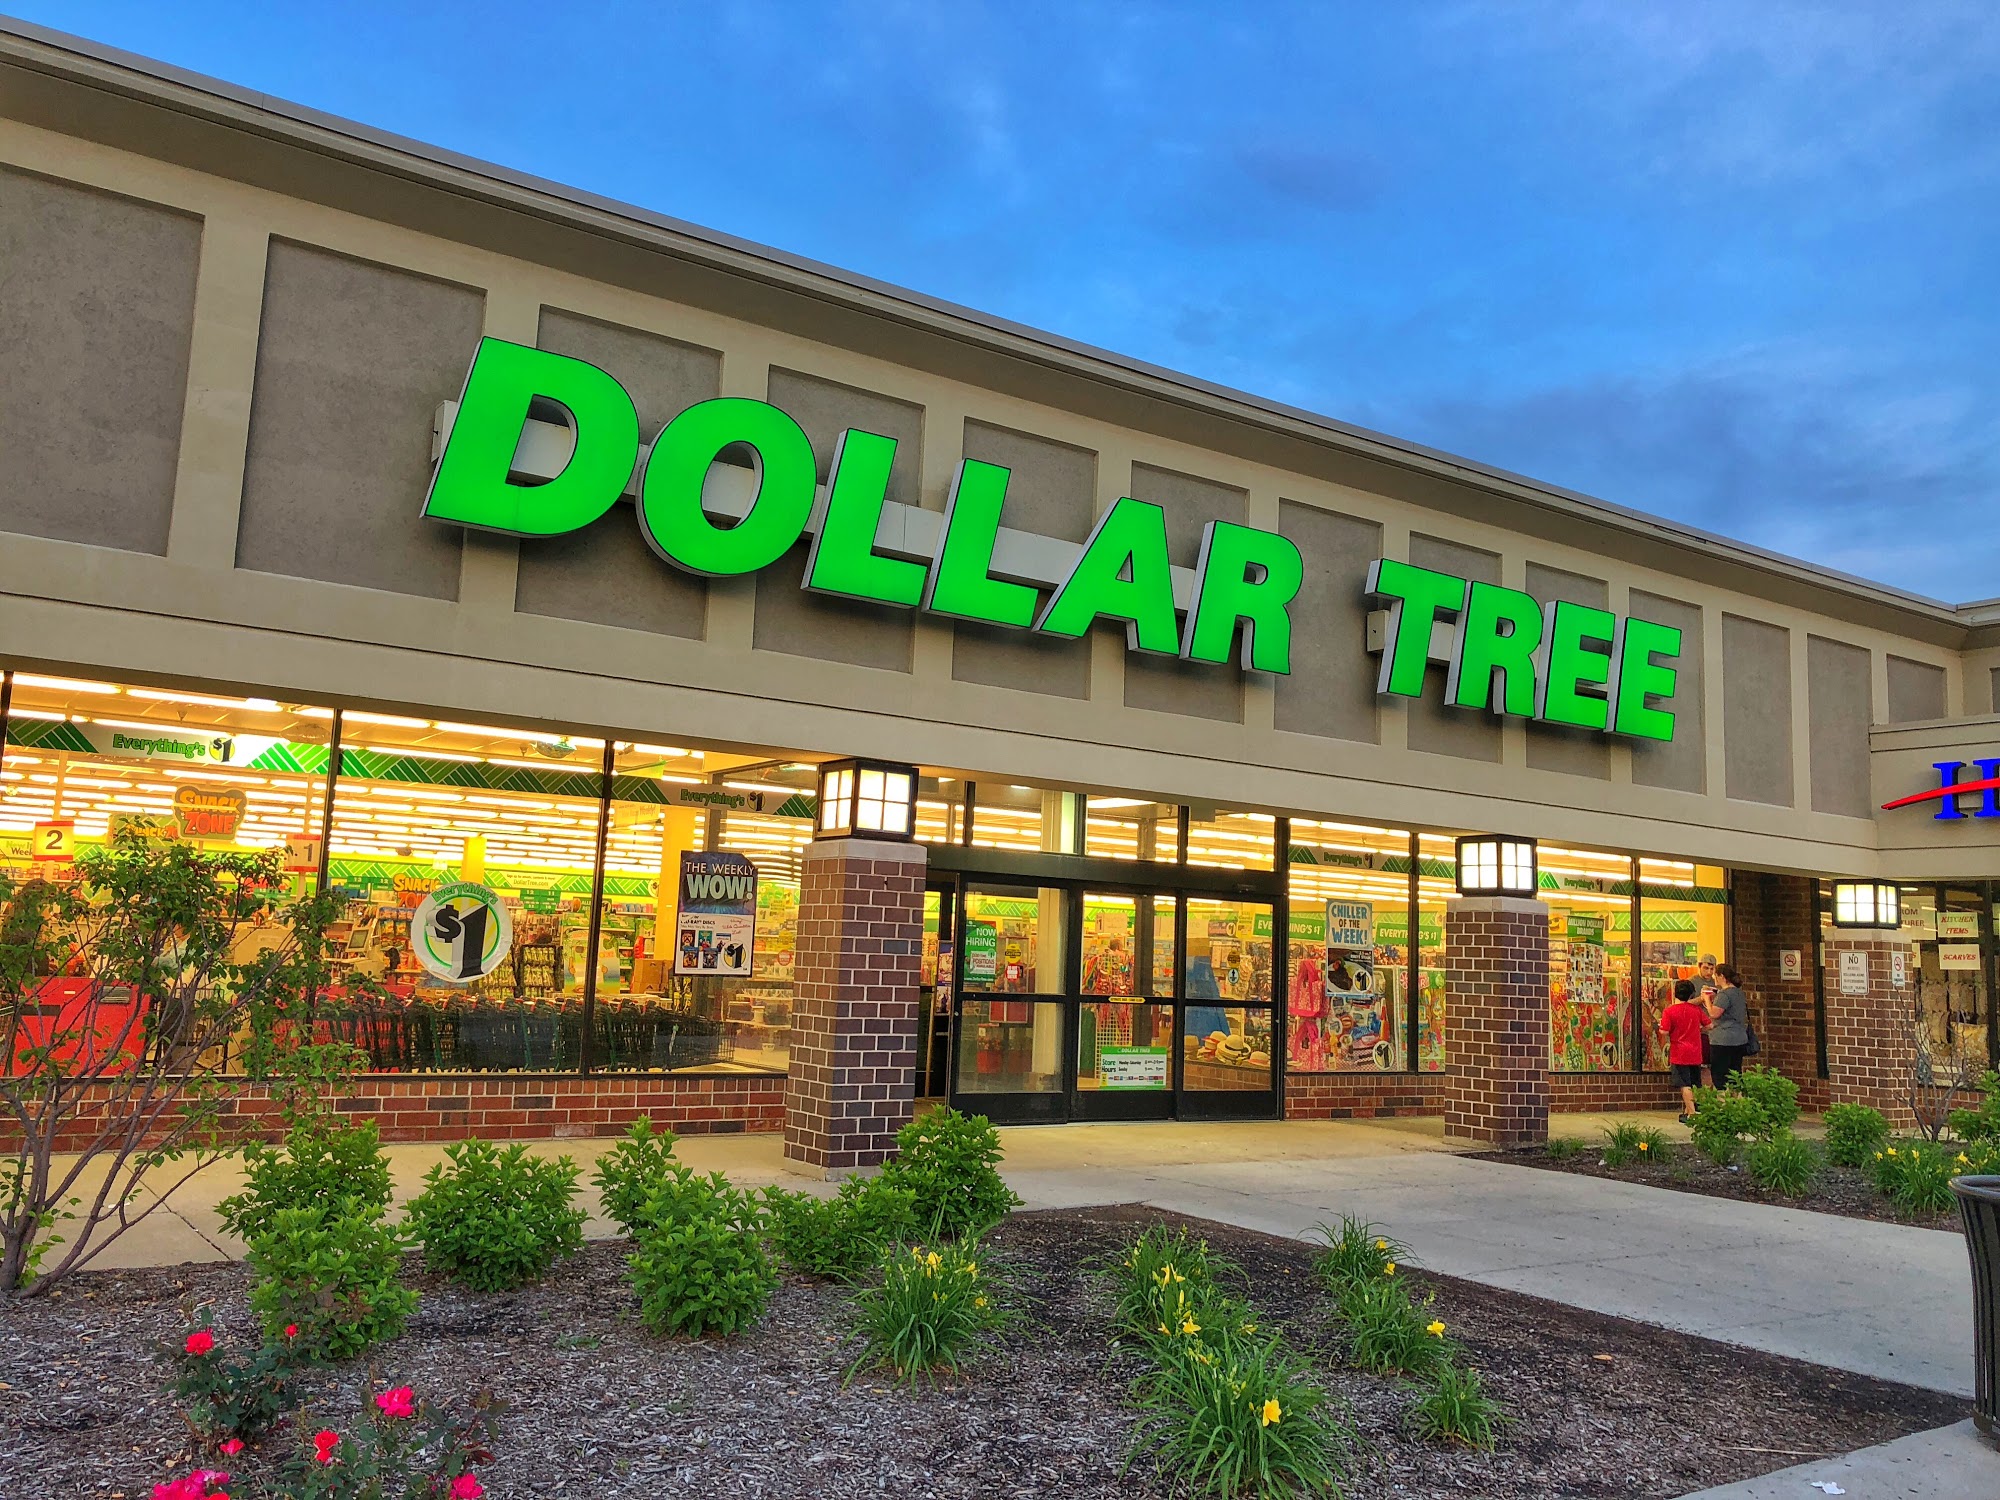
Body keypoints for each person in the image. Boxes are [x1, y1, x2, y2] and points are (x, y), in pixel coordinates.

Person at [1658, 978, 1708, 1122]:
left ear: (1675, 993)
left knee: (1684, 1084)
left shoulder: (1670, 1011)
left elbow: (1664, 1031)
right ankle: (1688, 1111)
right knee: (1694, 1083)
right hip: (1695, 1051)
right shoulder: (1696, 1010)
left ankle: (1691, 1113)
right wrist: (1698, 1029)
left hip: (1679, 1052)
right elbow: (1710, 1025)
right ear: (1692, 994)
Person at [1704, 963, 1752, 1088]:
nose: (1714, 978)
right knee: (1735, 1075)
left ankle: (1723, 1099)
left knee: (1720, 1076)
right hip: (1739, 1038)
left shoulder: (1724, 994)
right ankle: (1736, 1097)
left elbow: (1714, 1013)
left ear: (1722, 976)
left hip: (1723, 1040)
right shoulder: (1739, 993)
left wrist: (1707, 999)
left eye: (1716, 975)